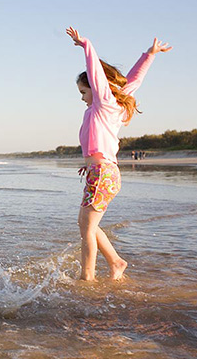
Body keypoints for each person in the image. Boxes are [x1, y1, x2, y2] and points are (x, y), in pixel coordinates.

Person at [66, 26, 172, 281]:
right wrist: (150, 54)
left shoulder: (104, 105)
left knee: (87, 228)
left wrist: (86, 45)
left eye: (83, 92)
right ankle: (116, 263)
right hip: (101, 171)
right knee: (86, 225)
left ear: (96, 87)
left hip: (103, 173)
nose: (82, 98)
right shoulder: (105, 106)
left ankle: (87, 278)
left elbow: (97, 76)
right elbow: (133, 80)